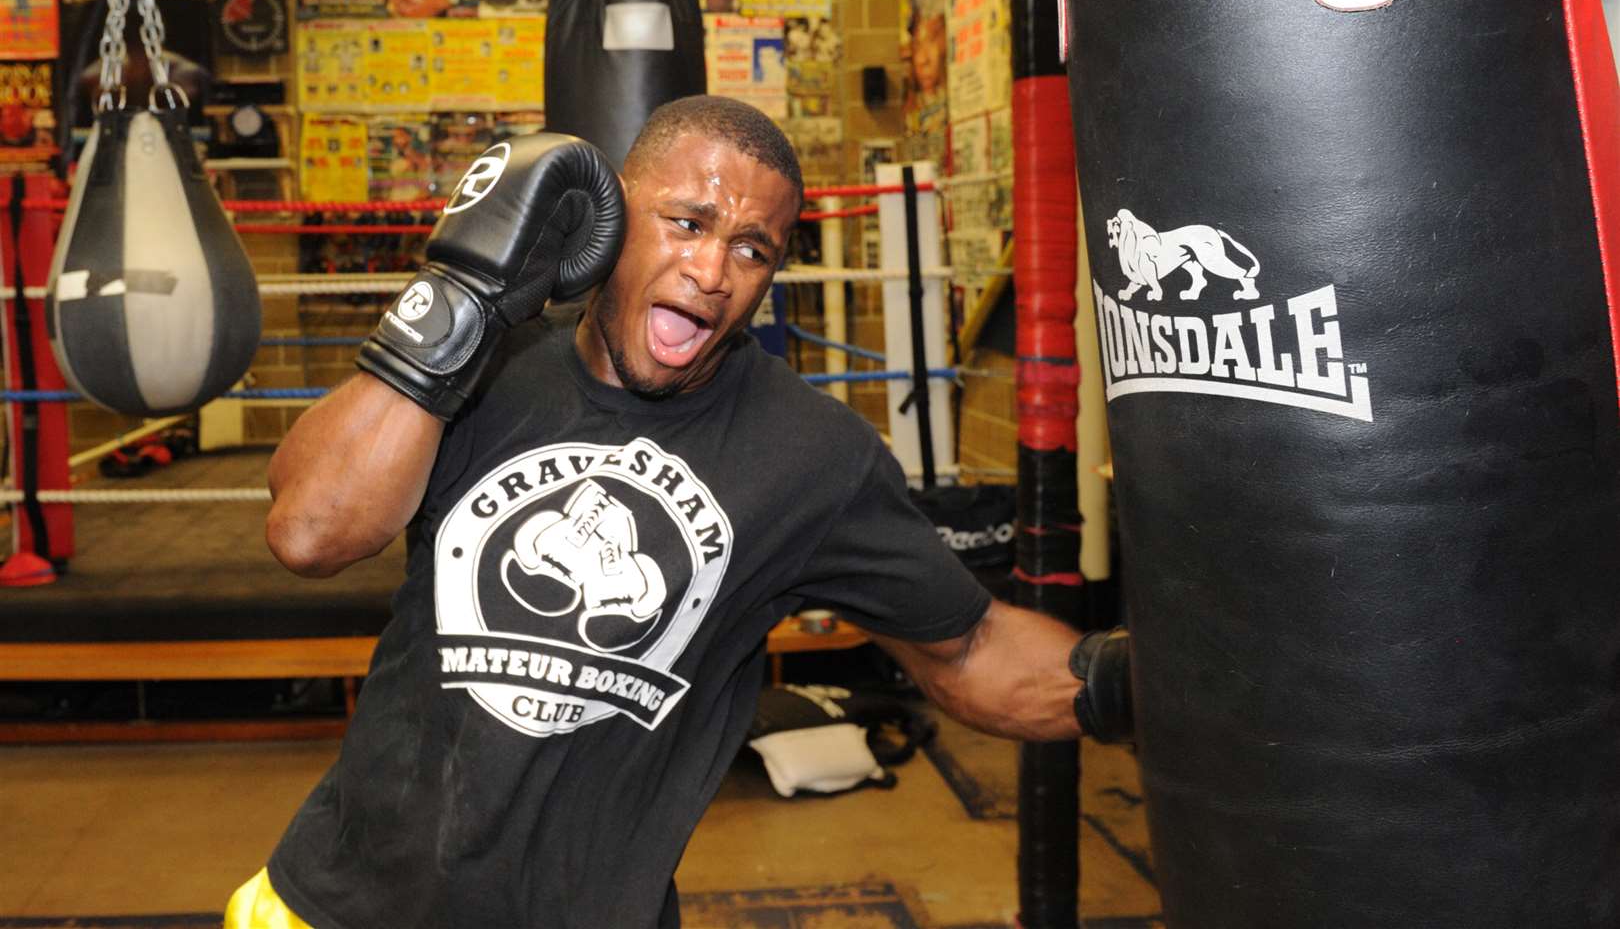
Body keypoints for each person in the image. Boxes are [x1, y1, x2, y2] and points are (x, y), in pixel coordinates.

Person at [229, 97, 1122, 928]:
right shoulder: (489, 372)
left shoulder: (813, 457)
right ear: (610, 217)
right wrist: (458, 300)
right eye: (687, 222)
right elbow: (309, 534)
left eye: (750, 248)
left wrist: (1158, 688)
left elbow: (969, 648)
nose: (709, 271)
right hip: (332, 904)